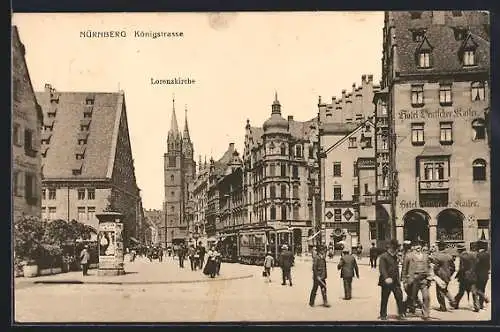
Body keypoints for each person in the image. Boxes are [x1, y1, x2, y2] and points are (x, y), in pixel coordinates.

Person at [402, 239, 432, 320]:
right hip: (412, 280)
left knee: (426, 297)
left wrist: (429, 277)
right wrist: (404, 280)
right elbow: (404, 269)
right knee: (411, 297)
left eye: (420, 245)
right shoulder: (408, 256)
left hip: (423, 280)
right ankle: (403, 310)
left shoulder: (425, 256)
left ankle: (426, 315)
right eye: (416, 245)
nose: (418, 247)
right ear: (413, 247)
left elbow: (428, 267)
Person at [378, 239, 405, 321]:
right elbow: (382, 268)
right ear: (390, 248)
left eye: (396, 248)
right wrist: (386, 277)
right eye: (394, 248)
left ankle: (401, 313)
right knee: (385, 298)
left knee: (399, 297)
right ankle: (383, 315)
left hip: (396, 281)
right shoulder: (383, 256)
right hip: (386, 282)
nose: (396, 250)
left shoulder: (395, 256)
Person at [430, 241, 457, 312]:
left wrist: (434, 274)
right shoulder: (449, 256)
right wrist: (450, 274)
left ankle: (443, 306)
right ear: (444, 247)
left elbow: (435, 267)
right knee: (444, 289)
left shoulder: (437, 256)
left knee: (439, 291)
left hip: (440, 276)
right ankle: (452, 300)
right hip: (447, 275)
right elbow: (453, 268)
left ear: (439, 247)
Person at [453, 243, 480, 312]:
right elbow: (477, 263)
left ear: (460, 250)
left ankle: (455, 304)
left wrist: (457, 275)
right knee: (474, 292)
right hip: (473, 276)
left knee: (461, 292)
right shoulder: (473, 255)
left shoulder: (462, 256)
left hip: (464, 277)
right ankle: (477, 306)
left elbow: (462, 268)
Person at [475, 240, 490, 310]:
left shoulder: (478, 255)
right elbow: (488, 266)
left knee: (476, 289)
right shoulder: (487, 254)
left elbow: (476, 265)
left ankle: (485, 298)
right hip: (486, 275)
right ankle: (481, 305)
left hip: (479, 275)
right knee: (482, 289)